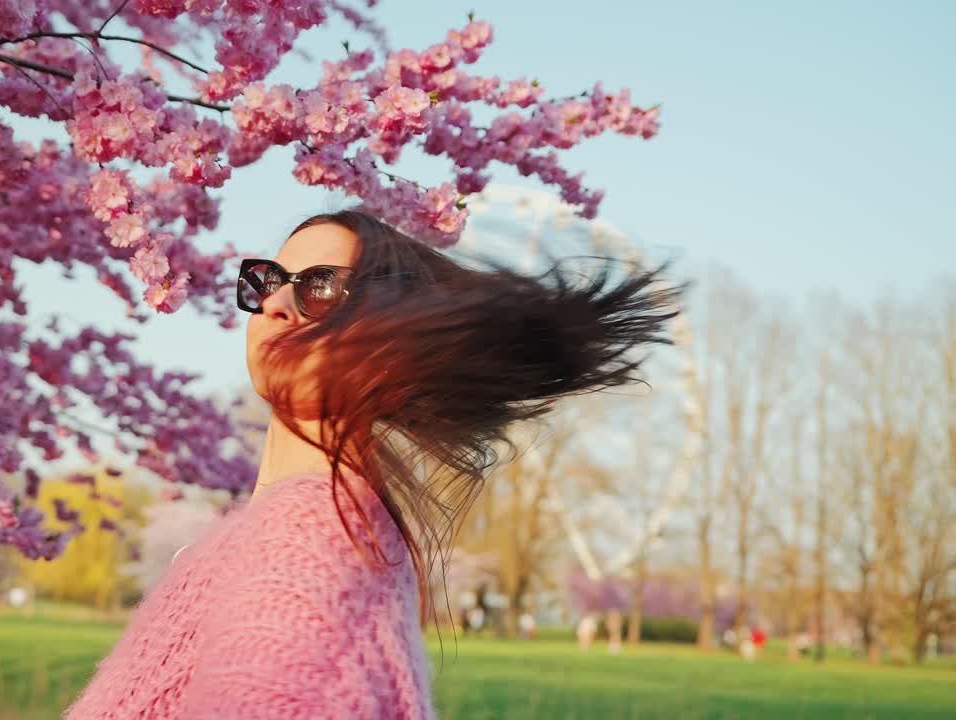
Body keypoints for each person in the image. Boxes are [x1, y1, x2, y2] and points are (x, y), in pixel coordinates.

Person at [62, 210, 679, 719]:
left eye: (321, 287)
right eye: (267, 279)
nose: (277, 302)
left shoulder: (312, 547)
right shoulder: (263, 535)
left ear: (385, 337)